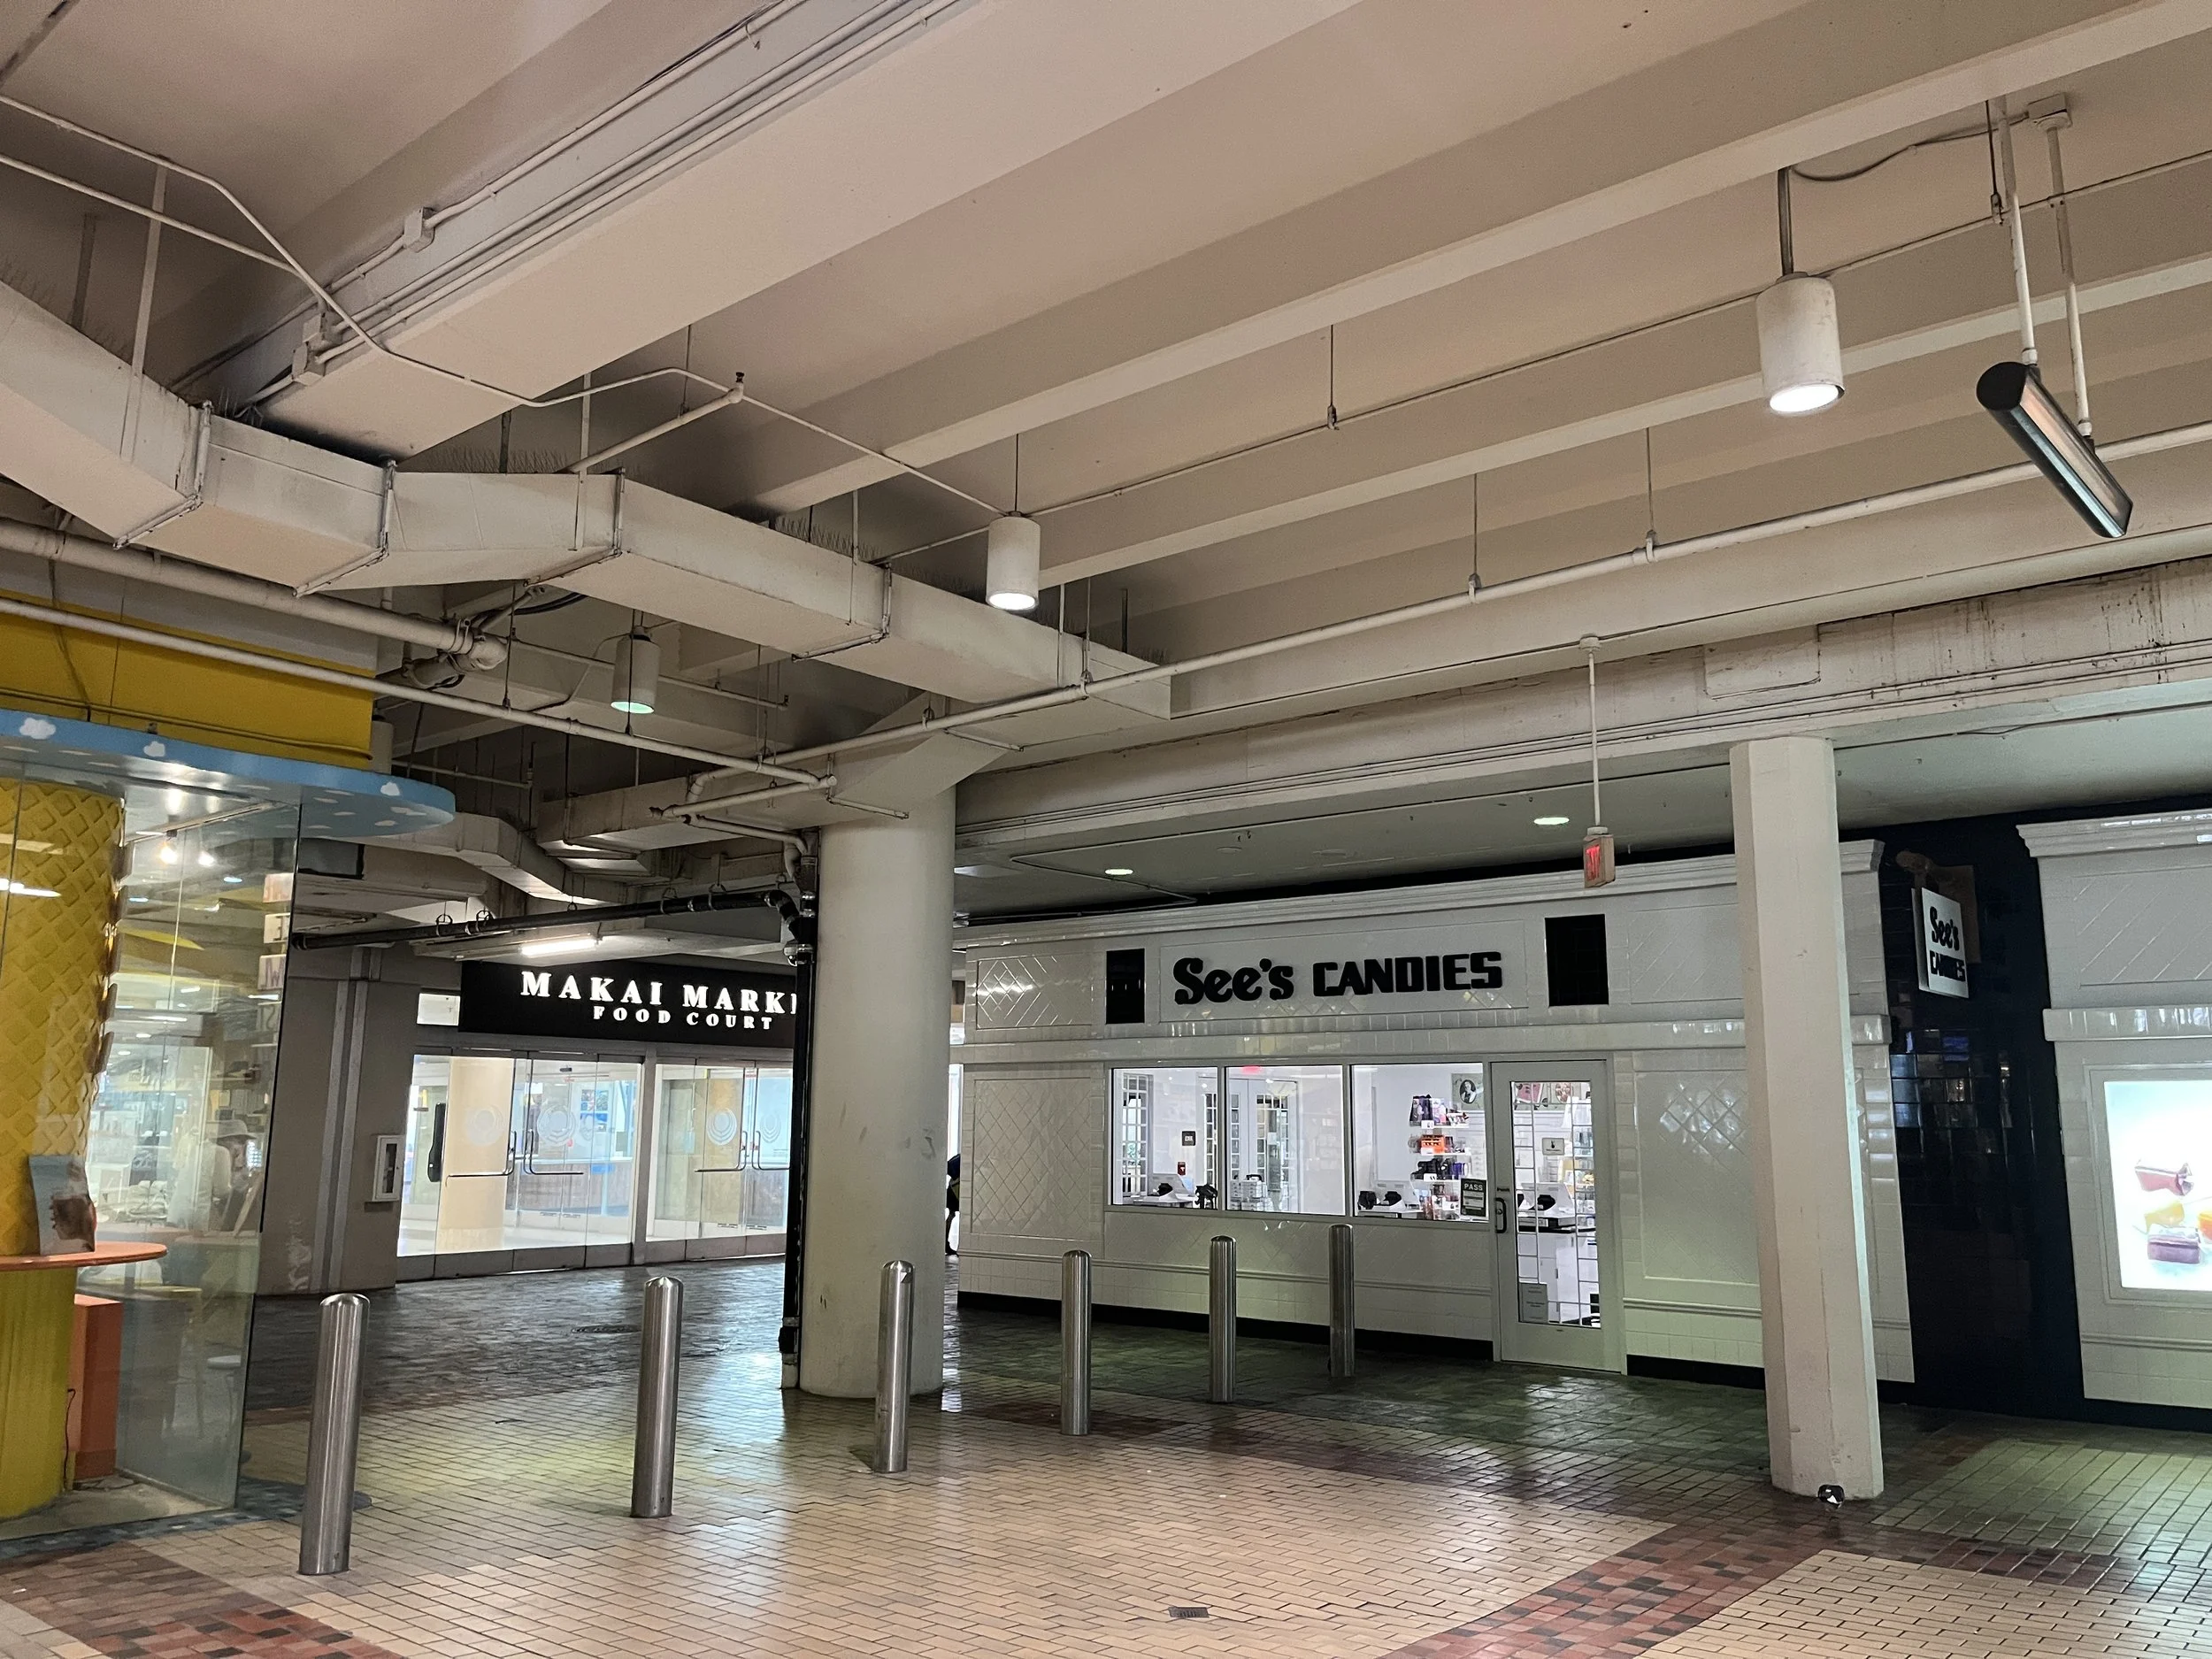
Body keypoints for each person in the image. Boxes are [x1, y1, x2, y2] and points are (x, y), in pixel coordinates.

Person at [945, 1152, 961, 1254]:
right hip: (957, 1187)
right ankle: (946, 1244)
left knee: (951, 1215)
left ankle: (945, 1243)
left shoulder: (960, 1156)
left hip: (953, 1186)